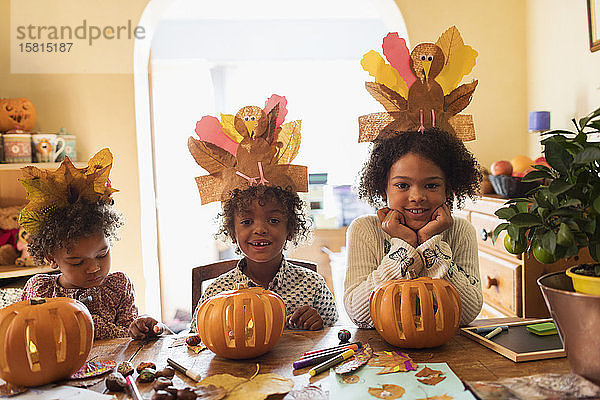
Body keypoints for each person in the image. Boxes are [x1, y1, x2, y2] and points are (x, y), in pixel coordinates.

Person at [129, 94, 338, 339]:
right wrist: (160, 332)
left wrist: (319, 325)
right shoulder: (217, 292)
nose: (260, 229)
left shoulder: (312, 286)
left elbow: (339, 339)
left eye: (273, 220)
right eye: (247, 221)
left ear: (290, 228)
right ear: (232, 230)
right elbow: (195, 341)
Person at [344, 128, 484, 328]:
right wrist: (405, 245)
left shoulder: (461, 230)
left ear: (448, 189)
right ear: (383, 189)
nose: (417, 196)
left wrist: (429, 242)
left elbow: (468, 313)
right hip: (381, 352)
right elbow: (358, 314)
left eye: (431, 186)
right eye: (402, 185)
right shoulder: (364, 229)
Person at [19, 149, 141, 340]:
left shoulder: (118, 286)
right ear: (51, 258)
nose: (94, 268)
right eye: (77, 262)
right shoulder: (40, 290)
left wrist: (142, 329)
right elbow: (27, 337)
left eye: (102, 254)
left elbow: (130, 339)